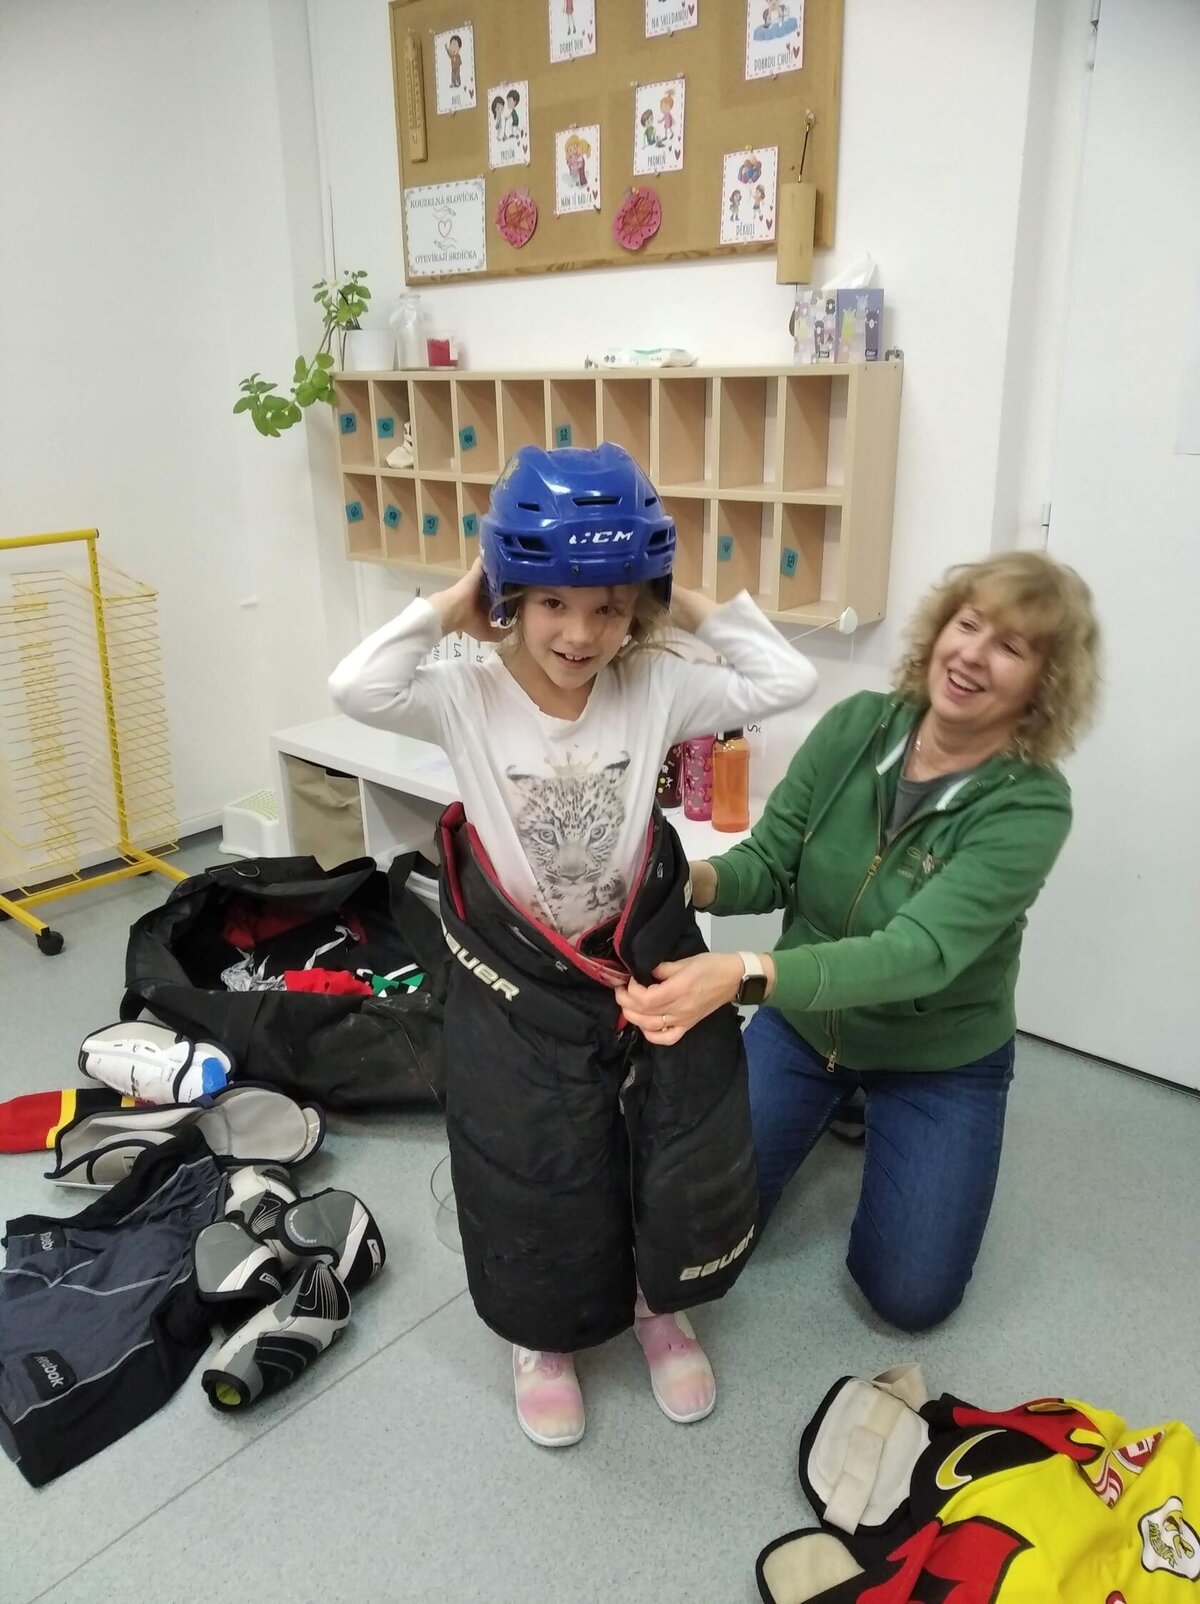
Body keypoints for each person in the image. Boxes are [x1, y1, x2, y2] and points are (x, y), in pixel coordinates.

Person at [329, 444, 818, 1446]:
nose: (581, 633)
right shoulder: (463, 690)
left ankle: (654, 1303)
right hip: (518, 971)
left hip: (629, 955)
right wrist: (457, 599)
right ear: (510, 591)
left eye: (609, 606)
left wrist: (672, 599)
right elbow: (356, 687)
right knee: (532, 1152)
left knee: (660, 1136)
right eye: (552, 602)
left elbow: (786, 675)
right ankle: (541, 1336)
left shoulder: (654, 683)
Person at [617, 550, 1101, 1332]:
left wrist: (742, 972)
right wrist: (682, 878)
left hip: (937, 1058)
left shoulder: (1031, 807)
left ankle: (875, 1107)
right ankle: (838, 1100)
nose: (973, 654)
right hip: (807, 1028)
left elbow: (917, 953)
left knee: (909, 1296)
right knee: (703, 1231)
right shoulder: (856, 726)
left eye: (1010, 646)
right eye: (968, 624)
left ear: (1044, 684)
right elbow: (769, 865)